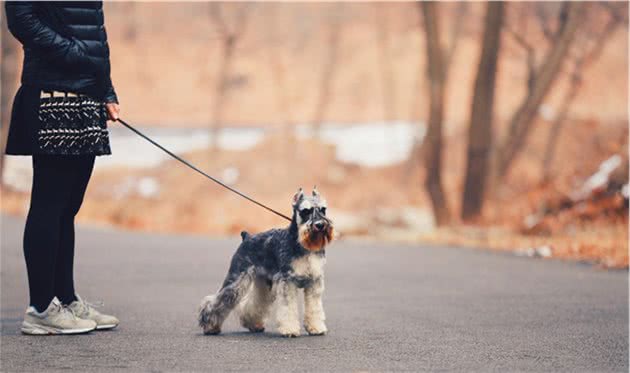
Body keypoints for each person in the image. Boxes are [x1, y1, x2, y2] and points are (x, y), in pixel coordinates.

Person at [5, 1, 120, 335]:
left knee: (67, 207)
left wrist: (106, 89)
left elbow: (95, 33)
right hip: (54, 92)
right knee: (49, 203)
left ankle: (64, 299)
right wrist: (73, 53)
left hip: (86, 93)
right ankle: (40, 308)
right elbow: (20, 18)